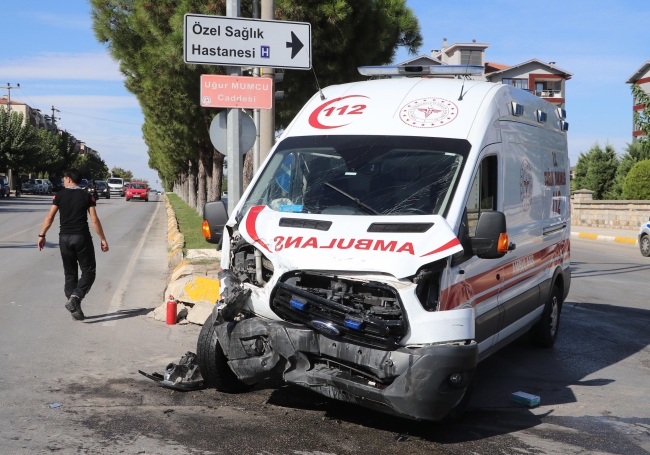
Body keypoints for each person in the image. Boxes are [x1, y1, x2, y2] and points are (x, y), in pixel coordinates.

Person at [37, 168, 109, 320]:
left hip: (64, 238)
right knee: (89, 271)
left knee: (70, 275)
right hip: (82, 237)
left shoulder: (59, 195)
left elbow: (50, 217)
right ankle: (75, 299)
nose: (63, 180)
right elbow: (94, 220)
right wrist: (102, 238)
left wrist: (42, 235)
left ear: (69, 179)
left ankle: (74, 302)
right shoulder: (87, 196)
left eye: (64, 178)